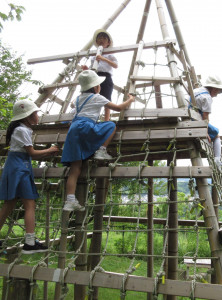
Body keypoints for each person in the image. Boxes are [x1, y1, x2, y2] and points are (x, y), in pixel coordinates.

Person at [61, 70, 135, 212]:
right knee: (111, 125)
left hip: (74, 129)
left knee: (75, 168)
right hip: (86, 126)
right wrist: (130, 100)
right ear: (96, 87)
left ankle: (70, 200)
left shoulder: (77, 99)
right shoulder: (97, 97)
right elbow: (119, 108)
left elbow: (74, 114)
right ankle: (101, 150)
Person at [0, 100, 59, 254]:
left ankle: (30, 241)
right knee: (29, 205)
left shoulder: (22, 129)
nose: (37, 116)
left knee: (10, 204)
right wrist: (50, 150)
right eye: (35, 113)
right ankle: (29, 242)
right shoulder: (22, 130)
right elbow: (32, 152)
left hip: (18, 166)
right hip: (19, 167)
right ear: (27, 116)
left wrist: (48, 150)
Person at [82, 29, 118, 121]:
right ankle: (92, 117)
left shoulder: (110, 54)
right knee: (93, 97)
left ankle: (106, 119)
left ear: (108, 42)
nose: (101, 40)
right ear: (97, 41)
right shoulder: (93, 56)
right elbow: (93, 67)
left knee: (106, 97)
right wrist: (87, 69)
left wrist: (103, 58)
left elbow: (115, 65)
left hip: (106, 76)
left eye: (104, 38)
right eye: (99, 38)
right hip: (95, 76)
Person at [191, 75, 222, 169]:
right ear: (213, 89)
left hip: (189, 118)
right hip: (197, 120)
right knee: (216, 134)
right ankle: (217, 159)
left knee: (213, 133)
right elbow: (205, 116)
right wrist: (205, 132)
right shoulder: (207, 98)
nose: (216, 95)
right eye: (217, 92)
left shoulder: (196, 91)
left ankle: (216, 156)